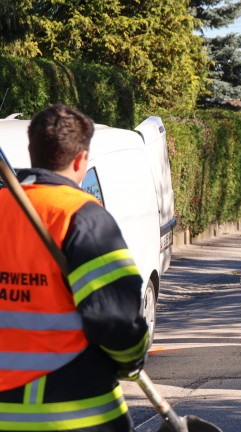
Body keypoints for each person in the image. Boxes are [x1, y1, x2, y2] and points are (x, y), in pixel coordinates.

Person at [0, 104, 149, 431]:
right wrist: (132, 360)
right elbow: (115, 319)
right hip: (73, 414)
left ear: (31, 150)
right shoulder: (82, 217)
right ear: (81, 159)